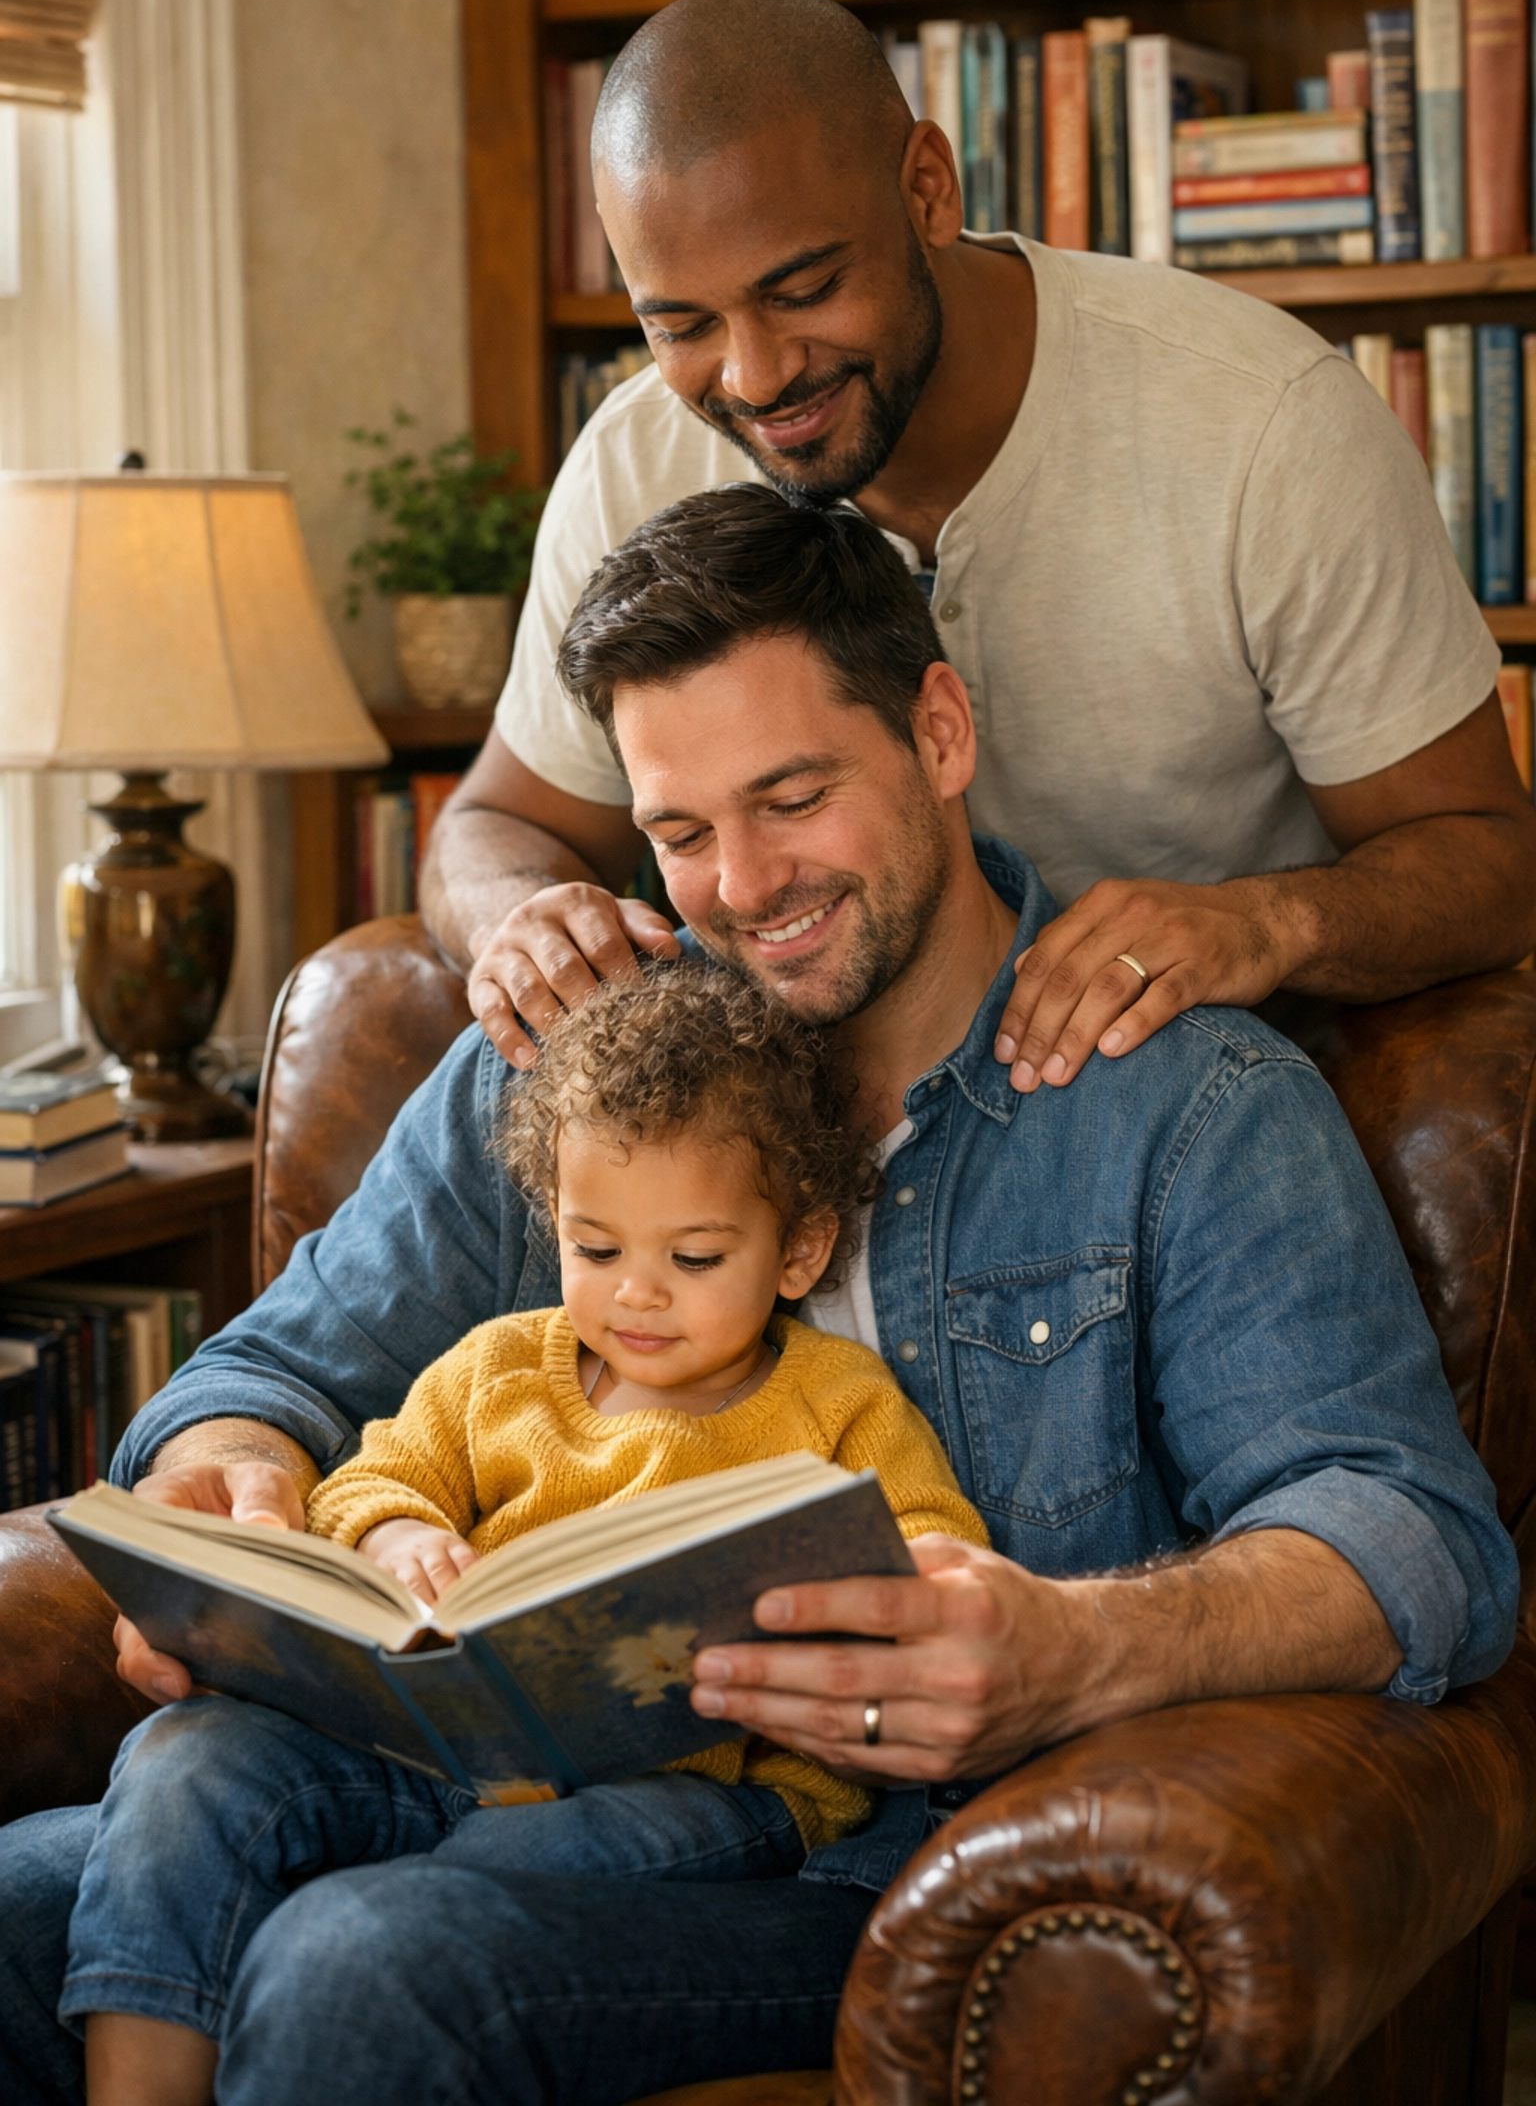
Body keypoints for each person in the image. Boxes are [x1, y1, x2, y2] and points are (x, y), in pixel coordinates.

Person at [0, 488, 1516, 2106]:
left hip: (862, 1857)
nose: (740, 882)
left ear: (938, 729)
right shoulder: (579, 1050)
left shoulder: (1185, 1096)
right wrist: (227, 1495)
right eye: (678, 829)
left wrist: (1074, 1644)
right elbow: (271, 1371)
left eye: (793, 796)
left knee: (364, 1961)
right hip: (456, 1780)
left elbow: (1411, 1537)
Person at [418, 0, 1536, 1098]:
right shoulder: (633, 461)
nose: (755, 377)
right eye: (683, 325)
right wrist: (524, 922)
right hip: (798, 1145)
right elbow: (494, 825)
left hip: (1177, 1118)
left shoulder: (1263, 428)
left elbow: (1494, 859)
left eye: (804, 289)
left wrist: (1267, 922)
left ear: (927, 190)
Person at [66, 962, 985, 2106]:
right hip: (443, 1756)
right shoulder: (497, 1370)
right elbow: (365, 1486)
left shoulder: (841, 1404)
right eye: (595, 1249)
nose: (637, 1295)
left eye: (693, 1259)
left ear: (797, 1250)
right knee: (184, 1759)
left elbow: (935, 1567)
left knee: (497, 1877)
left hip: (707, 1795)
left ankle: (335, 1957)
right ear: (551, 1212)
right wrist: (398, 1535)